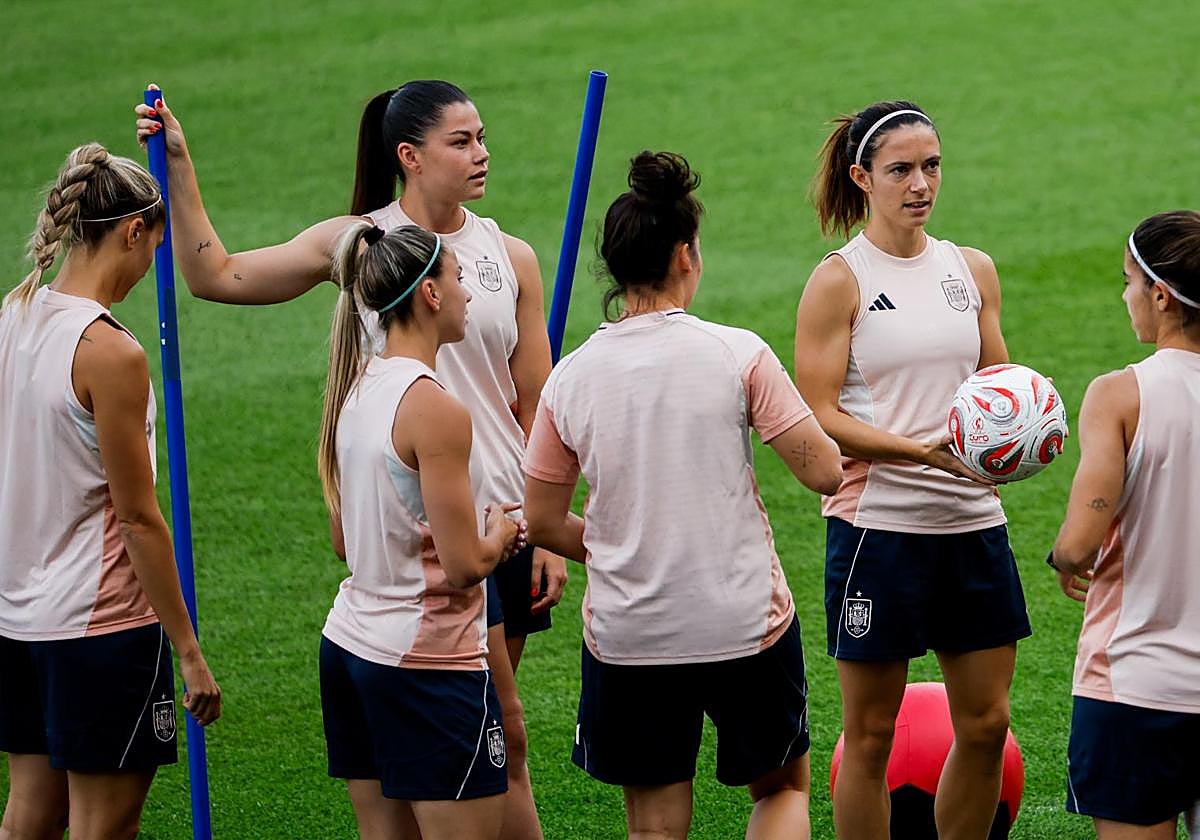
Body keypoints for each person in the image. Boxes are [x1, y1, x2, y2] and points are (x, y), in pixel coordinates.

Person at [135, 81, 555, 836]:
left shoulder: (509, 256)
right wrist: (180, 165)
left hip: (501, 529)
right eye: (461, 142)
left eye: (482, 137)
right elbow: (216, 275)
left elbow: (541, 409)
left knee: (502, 732)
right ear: (409, 156)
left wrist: (546, 528)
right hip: (408, 539)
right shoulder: (361, 243)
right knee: (464, 728)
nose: (482, 153)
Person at [523, 151, 842, 840]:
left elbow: (542, 520)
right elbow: (823, 472)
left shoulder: (569, 379)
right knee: (782, 788)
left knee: (654, 828)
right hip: (742, 619)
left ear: (614, 267)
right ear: (685, 256)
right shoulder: (738, 354)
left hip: (629, 632)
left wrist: (616, 550)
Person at [794, 100, 1029, 840]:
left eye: (931, 166)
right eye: (901, 169)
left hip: (971, 524)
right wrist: (920, 451)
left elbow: (999, 381)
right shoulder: (840, 280)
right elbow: (819, 415)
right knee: (868, 737)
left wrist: (1022, 423)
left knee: (987, 724)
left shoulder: (972, 270)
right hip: (880, 530)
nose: (920, 183)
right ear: (863, 177)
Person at [0, 143, 221, 840]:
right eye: (154, 245)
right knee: (103, 829)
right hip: (102, 628)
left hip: (17, 624)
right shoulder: (109, 352)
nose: (150, 263)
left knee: (29, 817)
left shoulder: (12, 316)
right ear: (133, 231)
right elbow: (137, 518)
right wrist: (188, 650)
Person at [317, 219, 525, 840]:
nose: (466, 294)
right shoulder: (435, 407)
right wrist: (499, 532)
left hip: (350, 646)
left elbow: (342, 541)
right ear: (431, 295)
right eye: (459, 279)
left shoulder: (354, 389)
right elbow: (464, 566)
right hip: (427, 664)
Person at [1049, 210, 1200, 840]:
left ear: (1160, 296)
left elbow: (1081, 540)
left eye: (1129, 282)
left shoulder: (1120, 395)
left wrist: (1063, 558)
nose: (1125, 296)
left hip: (1137, 686)